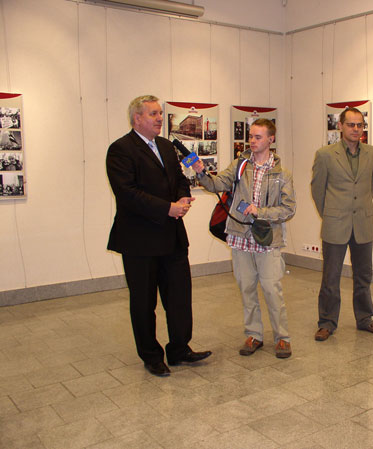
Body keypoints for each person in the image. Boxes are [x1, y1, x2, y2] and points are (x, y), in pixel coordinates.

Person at [106, 95, 211, 377]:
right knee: (144, 303)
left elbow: (179, 179)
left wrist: (183, 198)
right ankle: (151, 356)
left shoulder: (165, 146)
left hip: (172, 237)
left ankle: (179, 348)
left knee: (179, 297)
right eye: (153, 114)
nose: (159, 118)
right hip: (139, 241)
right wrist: (168, 208)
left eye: (160, 113)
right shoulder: (120, 150)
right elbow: (127, 193)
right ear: (137, 118)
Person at [193, 119, 296, 358]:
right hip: (240, 237)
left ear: (271, 139)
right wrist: (201, 173)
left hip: (268, 239)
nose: (252, 141)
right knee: (247, 288)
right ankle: (254, 335)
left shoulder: (282, 174)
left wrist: (261, 212)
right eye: (250, 136)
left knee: (272, 290)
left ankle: (282, 338)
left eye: (258, 137)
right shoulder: (240, 165)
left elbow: (289, 209)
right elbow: (217, 184)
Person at [311, 107, 373, 341]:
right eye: (351, 124)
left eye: (359, 125)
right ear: (340, 126)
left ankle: (365, 318)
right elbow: (318, 190)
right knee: (330, 277)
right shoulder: (325, 155)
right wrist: (331, 214)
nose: (355, 129)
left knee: (364, 275)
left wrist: (358, 208)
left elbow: (372, 187)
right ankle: (327, 322)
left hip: (363, 223)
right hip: (336, 224)